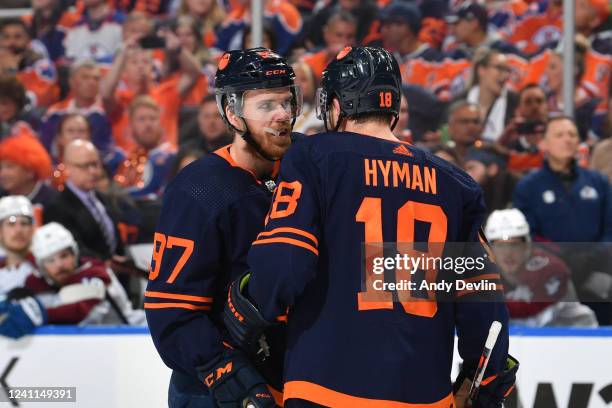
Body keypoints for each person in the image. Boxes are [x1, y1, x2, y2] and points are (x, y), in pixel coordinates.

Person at [223, 46, 517, 407]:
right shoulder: (456, 185)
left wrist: (248, 303)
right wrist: (483, 381)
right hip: (425, 394)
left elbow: (286, 261)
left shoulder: (314, 156)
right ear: (392, 107)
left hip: (325, 387)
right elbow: (484, 302)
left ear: (336, 105)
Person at [145, 47, 303, 408]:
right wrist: (231, 377)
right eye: (265, 105)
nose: (282, 115)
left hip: (292, 375)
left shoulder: (305, 167)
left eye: (286, 102)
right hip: (214, 389)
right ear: (232, 112)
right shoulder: (199, 190)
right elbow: (170, 312)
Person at [0, 222, 144, 339]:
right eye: (50, 260)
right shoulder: (34, 282)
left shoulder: (95, 273)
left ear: (74, 254)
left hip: (128, 339)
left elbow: (83, 312)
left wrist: (41, 313)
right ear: (41, 267)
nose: (59, 265)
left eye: (64, 256)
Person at [485, 208, 598, 327]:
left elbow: (531, 307)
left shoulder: (551, 268)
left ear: (527, 246)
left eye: (515, 244)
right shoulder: (479, 271)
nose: (508, 253)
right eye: (500, 246)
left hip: (568, 335)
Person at [44, 140, 125, 262]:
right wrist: (105, 264)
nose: (93, 171)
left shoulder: (102, 198)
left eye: (95, 164)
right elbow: (72, 249)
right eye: (84, 166)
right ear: (67, 168)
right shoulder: (57, 207)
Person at [0, 132, 57, 211]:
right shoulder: (2, 198)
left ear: (30, 171)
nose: (2, 174)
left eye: (10, 167)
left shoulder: (53, 201)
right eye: (1, 168)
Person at [0, 196, 36, 295]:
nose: (18, 230)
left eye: (24, 223)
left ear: (32, 229)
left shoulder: (48, 268)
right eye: (11, 224)